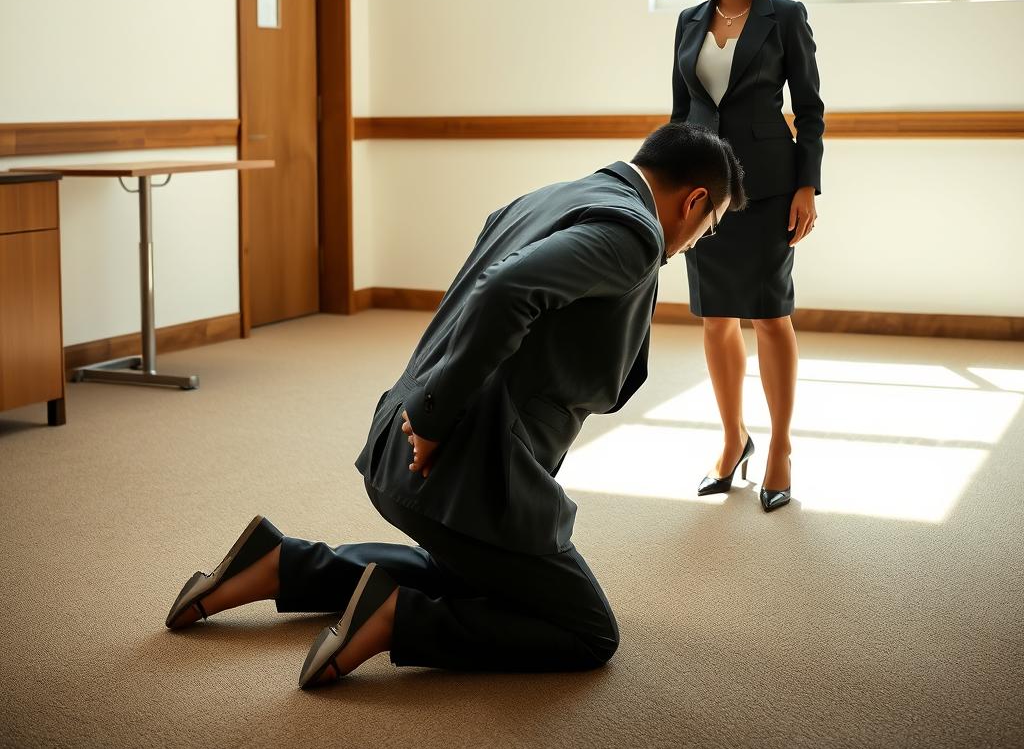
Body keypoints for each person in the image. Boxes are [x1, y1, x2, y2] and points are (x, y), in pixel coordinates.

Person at [165, 122, 746, 686]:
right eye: (712, 227)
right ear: (694, 202)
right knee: (589, 632)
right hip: (455, 470)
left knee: (467, 574)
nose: (699, 241)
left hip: (400, 448)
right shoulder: (634, 232)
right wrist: (437, 418)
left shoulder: (547, 197)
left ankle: (278, 565)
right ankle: (393, 619)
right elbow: (502, 292)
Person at [670, 0, 824, 513]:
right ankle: (733, 440)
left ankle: (781, 447)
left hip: (766, 187)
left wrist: (807, 185)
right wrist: (670, 187)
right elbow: (681, 111)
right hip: (705, 191)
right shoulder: (688, 21)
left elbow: (809, 108)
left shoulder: (783, 16)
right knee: (714, 318)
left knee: (770, 315)